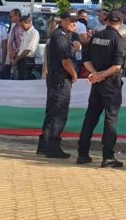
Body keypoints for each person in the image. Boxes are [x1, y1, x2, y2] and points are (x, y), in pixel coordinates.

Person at [77, 10, 126, 168]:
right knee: (110, 119)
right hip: (111, 84)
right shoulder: (118, 39)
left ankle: (82, 153)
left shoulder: (97, 36)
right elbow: (117, 66)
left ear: (107, 20)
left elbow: (86, 59)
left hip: (97, 83)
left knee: (90, 117)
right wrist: (101, 75)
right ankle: (108, 156)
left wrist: (95, 74)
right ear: (121, 22)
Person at [38, 11, 79, 159]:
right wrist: (74, 75)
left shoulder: (61, 35)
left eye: (75, 21)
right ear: (63, 20)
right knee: (59, 113)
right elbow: (66, 61)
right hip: (61, 80)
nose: (74, 23)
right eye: (71, 20)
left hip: (56, 79)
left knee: (52, 112)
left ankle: (44, 145)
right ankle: (53, 147)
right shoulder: (60, 37)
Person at [13, 13, 40, 80]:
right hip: (21, 60)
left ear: (29, 23)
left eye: (23, 25)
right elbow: (22, 48)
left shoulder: (34, 33)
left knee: (24, 81)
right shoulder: (25, 32)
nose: (22, 27)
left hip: (27, 60)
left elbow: (28, 50)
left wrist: (16, 60)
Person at [3, 8, 23, 79]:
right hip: (15, 55)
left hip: (22, 55)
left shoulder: (23, 27)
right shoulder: (14, 27)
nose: (10, 18)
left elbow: (23, 42)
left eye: (11, 16)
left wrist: (16, 52)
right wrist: (11, 53)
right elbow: (11, 42)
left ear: (17, 16)